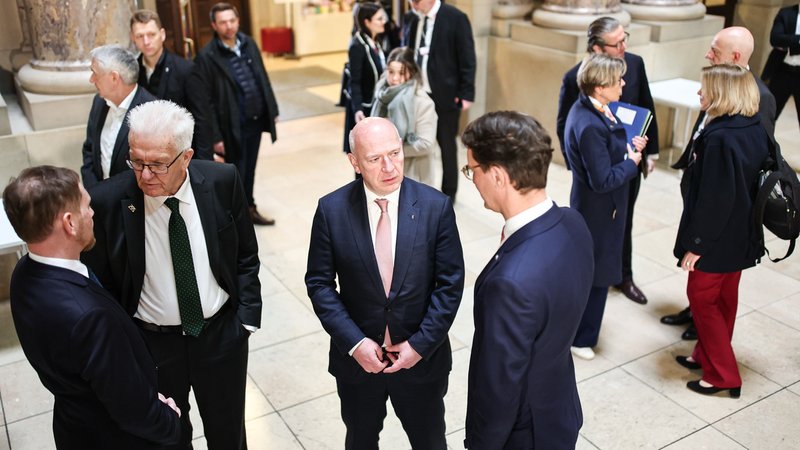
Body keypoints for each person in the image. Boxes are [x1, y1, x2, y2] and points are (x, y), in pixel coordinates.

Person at [82, 100, 261, 449]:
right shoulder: (107, 202)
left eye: (159, 164)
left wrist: (246, 321)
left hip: (221, 336)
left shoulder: (224, 181)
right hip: (153, 346)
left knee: (229, 435)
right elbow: (100, 287)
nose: (145, 175)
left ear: (187, 157)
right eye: (137, 161)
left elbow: (245, 255)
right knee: (168, 438)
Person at [305, 117, 465, 449]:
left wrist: (419, 346)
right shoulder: (331, 210)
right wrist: (354, 343)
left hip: (422, 362)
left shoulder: (435, 207)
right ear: (354, 162)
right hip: (358, 364)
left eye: (395, 153)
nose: (389, 166)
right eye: (375, 158)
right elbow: (320, 284)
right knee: (361, 440)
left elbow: (449, 284)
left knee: (430, 441)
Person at [4, 165, 181, 449]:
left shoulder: (23, 273)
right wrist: (171, 420)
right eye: (87, 205)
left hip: (75, 426)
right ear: (70, 223)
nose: (93, 213)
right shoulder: (89, 317)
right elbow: (134, 412)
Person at [461, 111, 594, 449]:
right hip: (559, 409)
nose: (472, 179)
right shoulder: (573, 223)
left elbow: (499, 388)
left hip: (524, 435)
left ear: (497, 176)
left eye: (471, 170)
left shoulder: (510, 283)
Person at [663, 26, 777, 340]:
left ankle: (705, 327)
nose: (708, 55)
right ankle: (695, 315)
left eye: (715, 50)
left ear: (735, 57)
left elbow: (753, 158)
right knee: (703, 280)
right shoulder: (718, 84)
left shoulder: (760, 98)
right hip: (707, 187)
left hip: (727, 208)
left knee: (715, 281)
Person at [673, 64, 770, 398]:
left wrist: (697, 245)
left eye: (705, 88)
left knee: (703, 302)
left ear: (723, 94)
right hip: (742, 235)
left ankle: (723, 375)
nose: (700, 93)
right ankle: (705, 356)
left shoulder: (720, 138)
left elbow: (715, 200)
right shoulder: (754, 127)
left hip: (715, 240)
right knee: (725, 300)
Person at [556, 16, 659, 306]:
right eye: (618, 43)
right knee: (597, 229)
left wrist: (648, 153)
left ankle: (623, 275)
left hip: (628, 159)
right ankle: (593, 282)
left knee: (623, 222)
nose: (624, 47)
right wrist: (576, 165)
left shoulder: (635, 64)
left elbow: (646, 107)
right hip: (599, 168)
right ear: (598, 49)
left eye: (625, 39)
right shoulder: (576, 76)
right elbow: (565, 123)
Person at [564, 53, 645, 361]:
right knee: (596, 276)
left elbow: (604, 151)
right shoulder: (588, 124)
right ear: (599, 87)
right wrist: (632, 163)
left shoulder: (593, 108)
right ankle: (582, 339)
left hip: (599, 206)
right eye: (617, 80)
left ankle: (580, 332)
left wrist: (626, 148)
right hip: (598, 209)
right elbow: (602, 179)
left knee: (595, 271)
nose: (623, 84)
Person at [193, 2, 280, 225]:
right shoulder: (207, 56)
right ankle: (237, 218)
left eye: (232, 20)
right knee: (236, 173)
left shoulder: (249, 43)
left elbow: (262, 77)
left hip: (255, 119)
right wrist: (215, 137)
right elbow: (207, 101)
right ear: (214, 25)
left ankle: (249, 208)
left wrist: (272, 109)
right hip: (231, 125)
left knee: (249, 169)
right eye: (223, 22)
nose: (229, 26)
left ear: (238, 20)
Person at [403, 0, 476, 201]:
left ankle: (449, 193)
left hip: (445, 93)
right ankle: (418, 188)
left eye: (417, 1)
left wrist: (466, 93)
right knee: (418, 142)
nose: (414, 5)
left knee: (446, 144)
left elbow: (467, 58)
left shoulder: (455, 18)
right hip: (417, 92)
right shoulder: (412, 17)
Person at [130, 9, 209, 159]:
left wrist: (204, 164)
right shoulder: (132, 72)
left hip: (180, 155)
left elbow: (202, 121)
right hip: (148, 157)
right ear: (133, 38)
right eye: (140, 36)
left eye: (151, 34)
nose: (146, 41)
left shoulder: (186, 70)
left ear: (162, 34)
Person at [81, 44, 156, 189]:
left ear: (114, 78)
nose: (91, 79)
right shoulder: (99, 102)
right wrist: (94, 192)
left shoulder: (150, 111)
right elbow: (89, 150)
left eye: (95, 73)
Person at [371, 46, 439, 186]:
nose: (395, 79)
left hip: (414, 174)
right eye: (391, 72)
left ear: (412, 72)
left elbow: (426, 144)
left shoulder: (422, 102)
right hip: (385, 172)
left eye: (401, 73)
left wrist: (390, 153)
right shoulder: (382, 94)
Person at [343, 1, 386, 153]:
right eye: (379, 19)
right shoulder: (357, 46)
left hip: (376, 105)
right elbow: (354, 82)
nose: (384, 22)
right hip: (364, 108)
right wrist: (358, 109)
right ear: (367, 22)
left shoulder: (377, 40)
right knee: (364, 154)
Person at [762, 4, 800, 130]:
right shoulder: (786, 13)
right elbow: (775, 39)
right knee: (767, 115)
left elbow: (782, 40)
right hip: (782, 71)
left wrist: (790, 43)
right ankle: (763, 148)